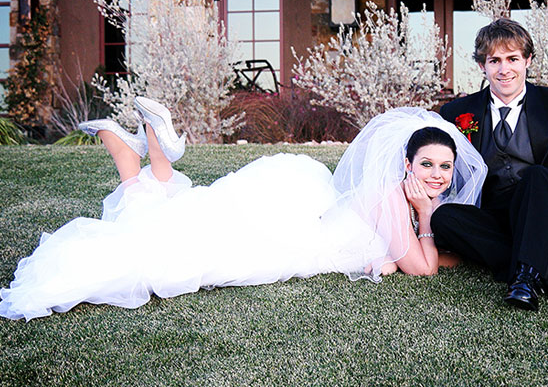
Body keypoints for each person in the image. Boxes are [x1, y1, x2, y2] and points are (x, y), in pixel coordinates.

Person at [0, 102, 487, 321]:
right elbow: (423, 267)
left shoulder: (410, 192)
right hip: (298, 232)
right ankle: (147, 149)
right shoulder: (392, 197)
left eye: (445, 166)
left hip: (306, 199)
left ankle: (139, 152)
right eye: (427, 163)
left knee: (192, 216)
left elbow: (434, 258)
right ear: (406, 163)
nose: (439, 175)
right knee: (182, 250)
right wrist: (425, 219)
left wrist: (425, 236)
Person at [433, 18, 548, 311]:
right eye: (494, 60)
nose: (504, 69)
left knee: (537, 176)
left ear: (528, 60)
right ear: (482, 66)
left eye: (513, 58)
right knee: (444, 219)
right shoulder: (456, 112)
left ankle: (526, 280)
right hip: (499, 212)